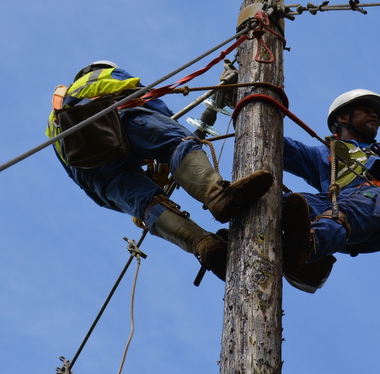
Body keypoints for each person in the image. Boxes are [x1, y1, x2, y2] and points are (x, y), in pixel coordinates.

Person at [47, 60, 274, 281]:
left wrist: (139, 205)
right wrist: (169, 137)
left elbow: (92, 190)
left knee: (147, 203)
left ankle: (203, 245)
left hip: (90, 171)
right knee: (176, 142)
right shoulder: (100, 75)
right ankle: (216, 196)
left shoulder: (54, 122)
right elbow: (149, 101)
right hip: (120, 117)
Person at [281, 89, 380, 292]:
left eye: (375, 113)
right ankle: (247, 236)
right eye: (366, 110)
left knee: (352, 206)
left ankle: (304, 249)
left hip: (379, 211)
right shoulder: (326, 153)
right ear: (343, 117)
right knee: (286, 204)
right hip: (336, 209)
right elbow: (281, 146)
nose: (374, 115)